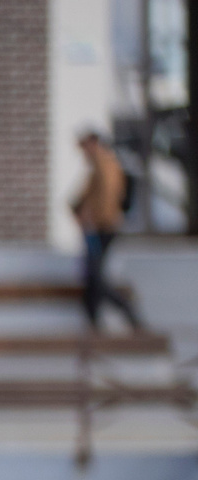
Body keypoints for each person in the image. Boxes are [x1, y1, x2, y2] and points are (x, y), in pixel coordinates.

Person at [72, 130, 143, 333]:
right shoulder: (98, 166)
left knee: (95, 275)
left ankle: (126, 310)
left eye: (84, 146)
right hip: (98, 227)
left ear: (93, 143)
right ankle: (93, 322)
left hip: (102, 228)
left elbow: (105, 200)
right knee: (91, 277)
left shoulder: (105, 165)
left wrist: (90, 219)